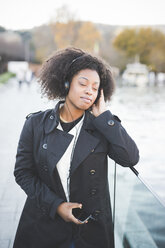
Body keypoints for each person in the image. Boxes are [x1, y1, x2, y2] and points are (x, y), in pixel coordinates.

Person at [13, 47, 139, 248]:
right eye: (83, 83)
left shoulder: (102, 126)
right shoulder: (36, 124)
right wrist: (57, 206)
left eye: (95, 87)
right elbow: (23, 173)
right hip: (45, 224)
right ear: (66, 83)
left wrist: (105, 118)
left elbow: (130, 158)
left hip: (90, 231)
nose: (90, 90)